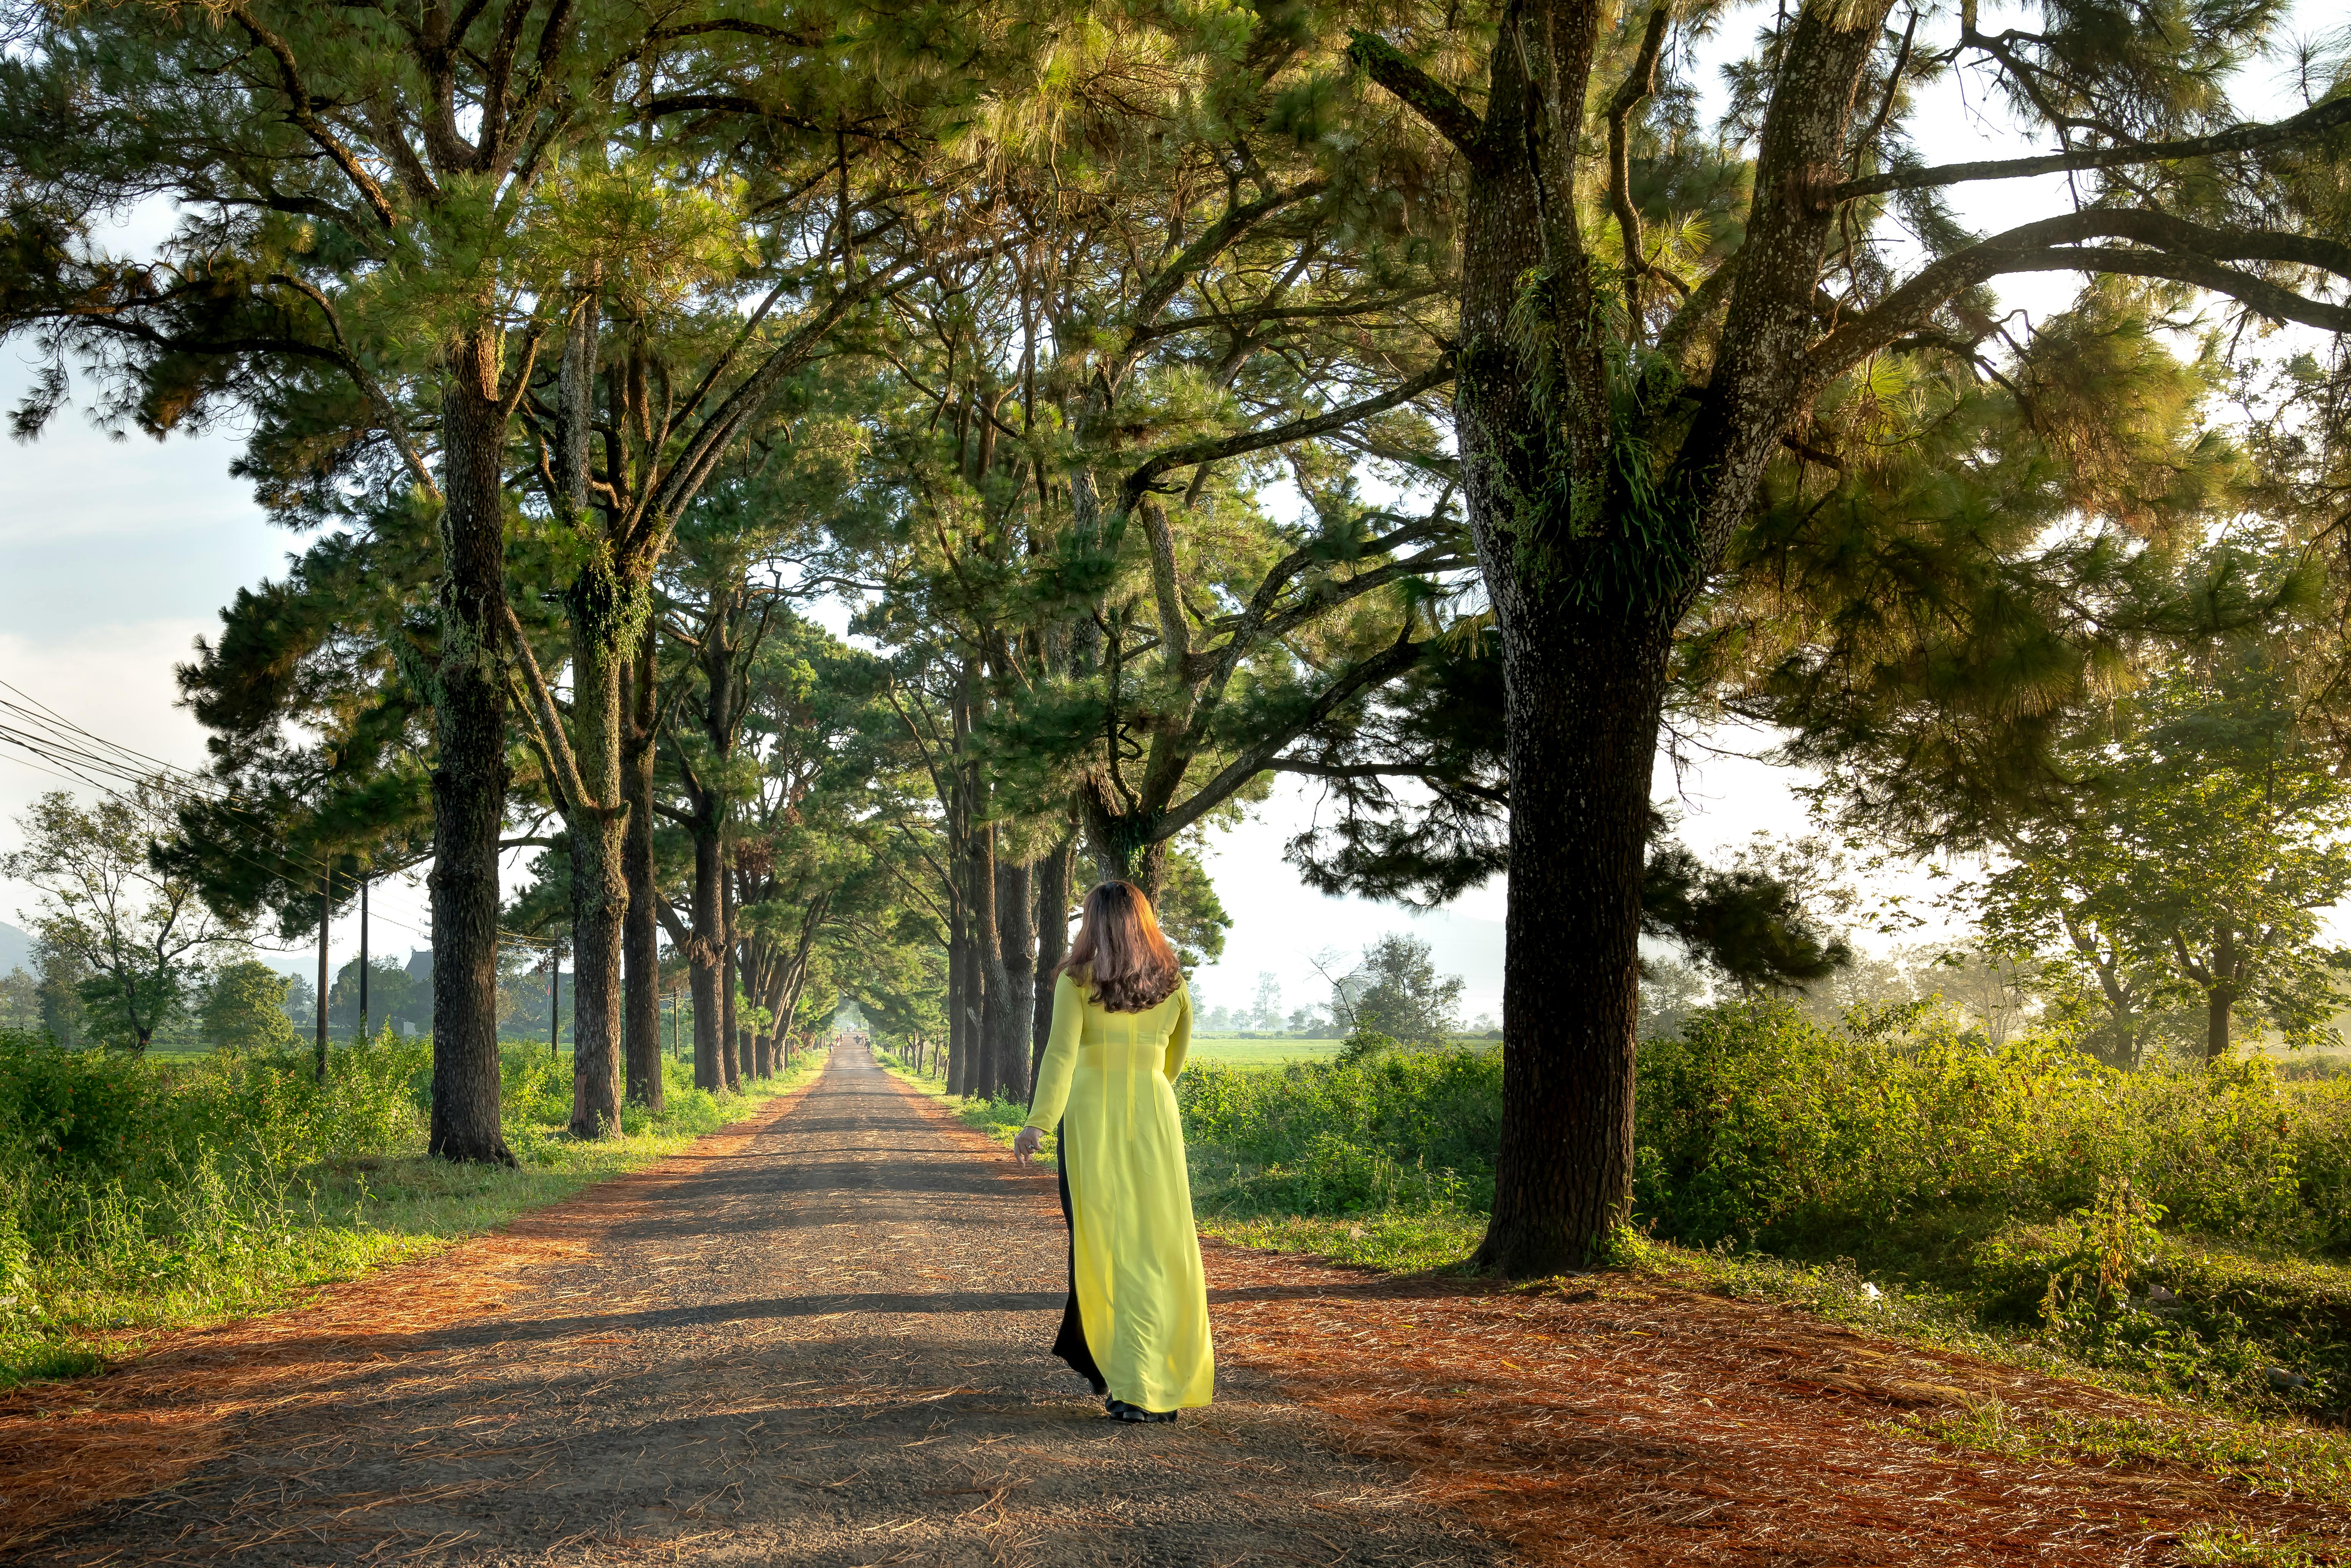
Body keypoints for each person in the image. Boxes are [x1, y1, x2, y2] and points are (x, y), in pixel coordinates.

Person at [1013, 880, 1213, 1423]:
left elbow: (1058, 1057)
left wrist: (1037, 1124)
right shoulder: (1173, 982)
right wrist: (1149, 1089)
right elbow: (1176, 1056)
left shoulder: (1076, 981)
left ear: (1093, 924)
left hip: (1090, 1118)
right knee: (1158, 1249)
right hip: (1155, 1117)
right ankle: (1161, 1380)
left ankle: (1127, 1382)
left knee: (1106, 1247)